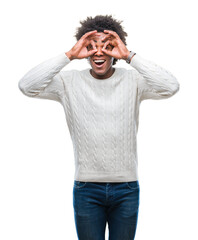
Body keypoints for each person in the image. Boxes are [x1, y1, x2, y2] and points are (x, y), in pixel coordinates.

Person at [18, 15, 180, 240]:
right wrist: (69, 56)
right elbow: (27, 86)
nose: (99, 52)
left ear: (117, 48)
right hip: (86, 189)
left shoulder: (133, 81)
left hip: (126, 188)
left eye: (107, 46)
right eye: (91, 46)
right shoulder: (68, 83)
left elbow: (170, 87)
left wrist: (129, 56)